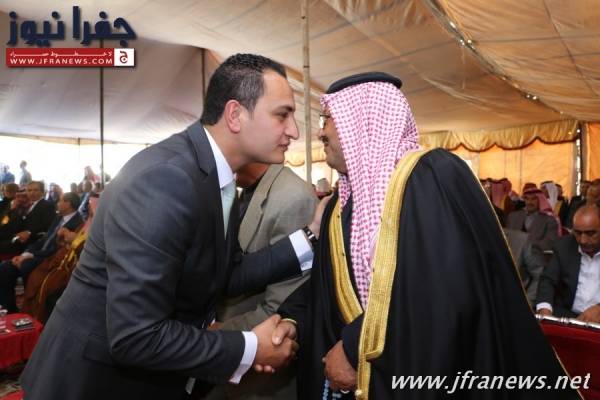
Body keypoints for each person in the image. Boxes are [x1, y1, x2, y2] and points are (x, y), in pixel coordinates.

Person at [20, 54, 326, 400]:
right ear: (235, 115)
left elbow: (223, 272)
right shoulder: (167, 180)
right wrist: (250, 348)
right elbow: (136, 336)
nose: (294, 130)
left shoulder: (210, 174)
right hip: (91, 384)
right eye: (282, 114)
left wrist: (310, 236)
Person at [274, 72, 576, 399]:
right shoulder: (339, 207)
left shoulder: (431, 177)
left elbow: (443, 290)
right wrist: (291, 319)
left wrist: (353, 346)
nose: (320, 132)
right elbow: (326, 285)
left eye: (328, 119)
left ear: (362, 120)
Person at [207, 163, 318, 400]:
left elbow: (281, 310)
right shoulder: (240, 189)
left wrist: (211, 337)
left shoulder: (293, 197)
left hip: (260, 377)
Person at [0, 192, 82, 313]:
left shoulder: (77, 223)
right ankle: (9, 309)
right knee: (5, 268)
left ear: (68, 204)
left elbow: (57, 250)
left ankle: (30, 308)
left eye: (60, 201)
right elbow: (44, 239)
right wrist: (26, 253)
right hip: (39, 253)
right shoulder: (59, 217)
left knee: (26, 266)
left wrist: (31, 255)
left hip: (52, 258)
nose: (57, 203)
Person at [536, 203, 600, 322]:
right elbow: (548, 280)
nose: (583, 240)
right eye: (578, 233)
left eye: (590, 233)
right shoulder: (563, 246)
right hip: (567, 316)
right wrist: (545, 309)